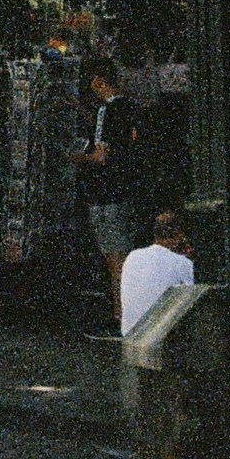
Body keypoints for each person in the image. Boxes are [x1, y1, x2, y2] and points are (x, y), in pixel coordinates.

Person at [76, 56, 146, 328]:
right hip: (125, 188)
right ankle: (127, 312)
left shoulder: (106, 111)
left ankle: (121, 315)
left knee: (114, 257)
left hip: (105, 191)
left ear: (97, 81)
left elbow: (100, 156)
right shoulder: (129, 107)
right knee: (124, 252)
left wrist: (75, 157)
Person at [117, 210, 195, 337]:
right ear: (179, 236)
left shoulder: (132, 256)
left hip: (129, 332)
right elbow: (190, 303)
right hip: (161, 336)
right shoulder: (183, 263)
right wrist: (189, 258)